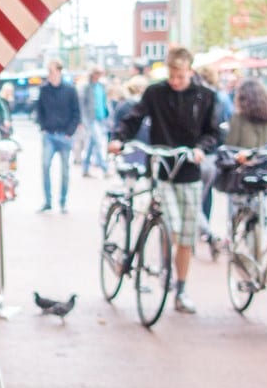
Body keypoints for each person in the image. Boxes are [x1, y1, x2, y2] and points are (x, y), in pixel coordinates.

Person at [111, 46, 221, 313]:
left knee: (187, 235)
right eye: (172, 75)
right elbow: (134, 117)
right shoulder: (155, 93)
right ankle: (165, 270)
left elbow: (214, 133)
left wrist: (201, 148)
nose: (175, 81)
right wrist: (119, 137)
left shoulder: (205, 97)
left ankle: (180, 288)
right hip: (161, 168)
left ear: (190, 71)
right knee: (170, 224)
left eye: (180, 76)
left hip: (189, 170)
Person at [33, 59, 82, 213]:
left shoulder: (70, 90)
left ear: (59, 72)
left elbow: (76, 113)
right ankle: (48, 201)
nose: (50, 75)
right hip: (49, 135)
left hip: (64, 136)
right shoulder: (44, 90)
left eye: (52, 71)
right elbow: (39, 110)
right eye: (49, 72)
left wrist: (69, 132)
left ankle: (63, 202)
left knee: (65, 171)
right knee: (45, 166)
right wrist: (43, 127)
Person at [79, 69, 112, 176]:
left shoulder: (101, 86)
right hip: (90, 119)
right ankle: (104, 168)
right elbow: (82, 104)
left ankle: (85, 169)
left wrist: (108, 115)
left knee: (91, 143)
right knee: (98, 142)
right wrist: (82, 119)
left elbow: (104, 101)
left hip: (101, 118)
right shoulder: (86, 87)